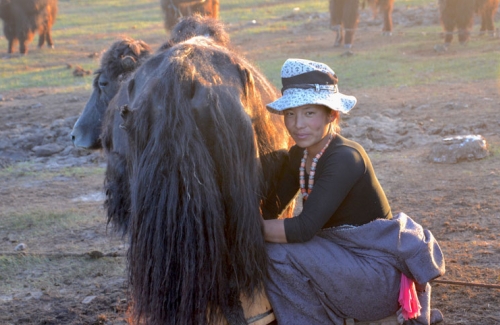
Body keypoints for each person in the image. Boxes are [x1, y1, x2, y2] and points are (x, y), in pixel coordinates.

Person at [261, 58, 445, 325]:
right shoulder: (299, 156)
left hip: (377, 276)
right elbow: (272, 207)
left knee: (275, 252)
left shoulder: (345, 157)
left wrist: (243, 229)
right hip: (345, 264)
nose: (298, 124)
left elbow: (303, 229)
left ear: (331, 115)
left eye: (309, 113)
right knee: (269, 245)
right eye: (290, 113)